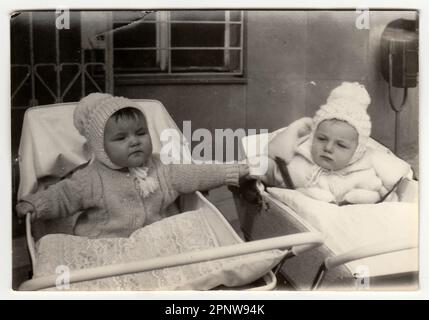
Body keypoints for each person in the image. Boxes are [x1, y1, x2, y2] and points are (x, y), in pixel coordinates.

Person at [16, 93, 249, 238]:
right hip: (107, 242)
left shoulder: (161, 167)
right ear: (101, 148)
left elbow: (194, 174)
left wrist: (233, 171)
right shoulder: (91, 178)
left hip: (154, 239)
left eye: (141, 133)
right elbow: (62, 196)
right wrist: (36, 205)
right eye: (121, 138)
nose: (134, 141)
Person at [263, 82, 400, 205]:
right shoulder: (297, 163)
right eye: (322, 139)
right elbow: (267, 170)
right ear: (313, 137)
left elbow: (386, 199)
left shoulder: (363, 175)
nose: (328, 148)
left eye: (341, 145)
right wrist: (248, 170)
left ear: (357, 152)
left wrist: (372, 198)